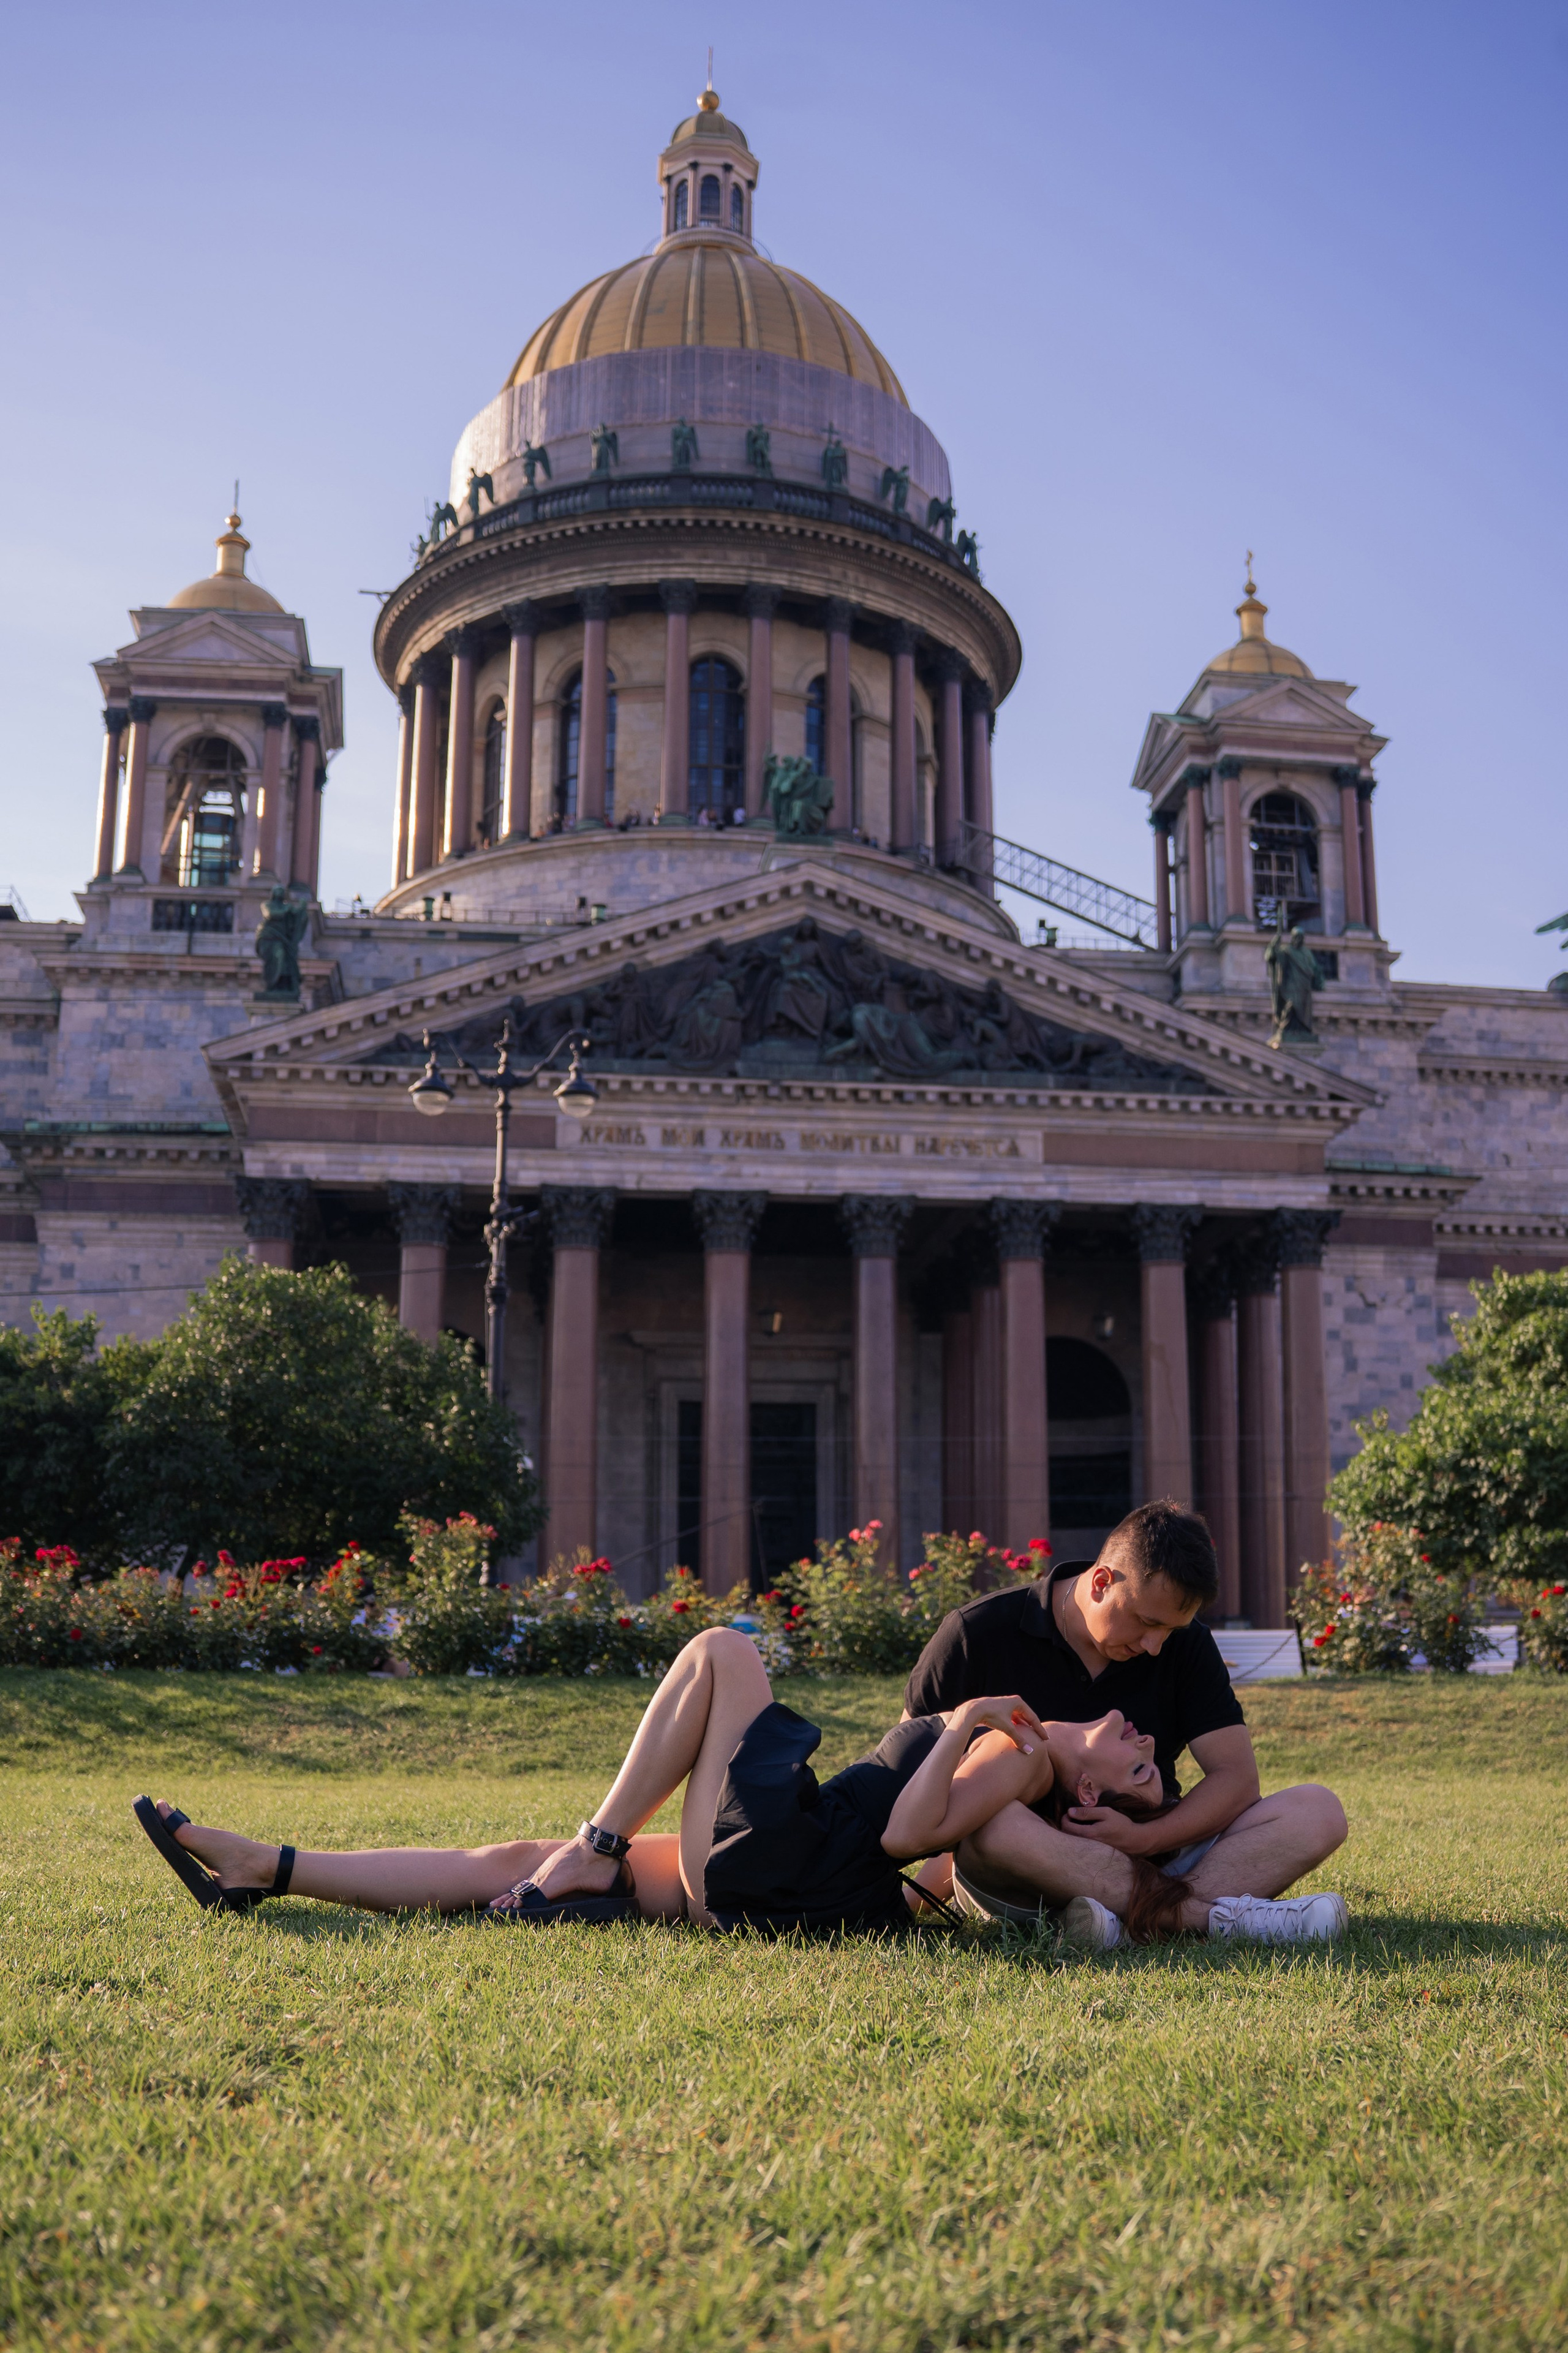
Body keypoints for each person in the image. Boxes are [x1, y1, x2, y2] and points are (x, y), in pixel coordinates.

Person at [132, 1630, 1190, 1939]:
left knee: (727, 1653)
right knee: (504, 1861)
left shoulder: (1028, 1749)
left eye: (1139, 1770)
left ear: (1088, 1791)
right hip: (793, 1869)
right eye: (1148, 1756)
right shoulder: (1018, 1735)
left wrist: (962, 1721)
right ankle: (264, 1868)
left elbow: (910, 1836)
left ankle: (591, 1849)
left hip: (802, 1864)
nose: (1140, 1735)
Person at [903, 1498, 1349, 1949]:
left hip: (1160, 1856)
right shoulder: (976, 1635)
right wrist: (909, 1897)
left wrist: (1143, 1836)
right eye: (1146, 1622)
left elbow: (1236, 1778)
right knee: (995, 1826)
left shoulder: (1187, 1646)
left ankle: (1117, 1923)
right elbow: (906, 1774)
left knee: (1318, 1810)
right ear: (1101, 1583)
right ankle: (1209, 1917)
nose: (1155, 1646)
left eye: (1171, 1631)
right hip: (1025, 1869)